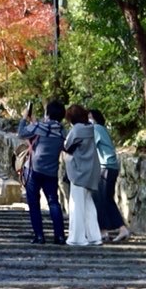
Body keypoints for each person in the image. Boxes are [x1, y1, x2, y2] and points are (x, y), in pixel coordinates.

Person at [13, 100, 67, 244]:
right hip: (52, 171)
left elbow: (21, 133)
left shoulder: (39, 126)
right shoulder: (63, 131)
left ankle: (39, 236)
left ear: (48, 113)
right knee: (54, 203)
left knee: (34, 203)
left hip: (34, 169)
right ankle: (60, 236)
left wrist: (25, 118)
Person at [62, 104, 104, 246]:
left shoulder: (77, 130)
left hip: (78, 172)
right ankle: (94, 236)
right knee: (88, 205)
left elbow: (66, 146)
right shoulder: (90, 129)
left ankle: (77, 237)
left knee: (76, 205)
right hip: (90, 171)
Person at [87, 107, 129, 241]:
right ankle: (106, 230)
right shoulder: (102, 129)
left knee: (102, 199)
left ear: (94, 118)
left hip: (105, 167)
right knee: (104, 199)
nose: (87, 120)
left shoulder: (96, 129)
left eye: (89, 117)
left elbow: (90, 146)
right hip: (109, 167)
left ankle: (117, 229)